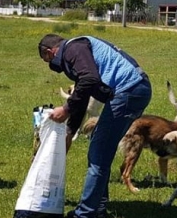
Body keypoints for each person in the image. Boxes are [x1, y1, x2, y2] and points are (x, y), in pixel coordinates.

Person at [37, 34, 152, 218]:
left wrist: (65, 109)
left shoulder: (72, 49)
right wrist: (70, 131)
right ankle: (97, 209)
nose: (51, 66)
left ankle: (85, 214)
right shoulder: (77, 49)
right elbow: (83, 94)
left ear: (50, 52)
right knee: (100, 152)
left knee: (98, 155)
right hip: (135, 89)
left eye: (47, 60)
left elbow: (89, 79)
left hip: (129, 91)